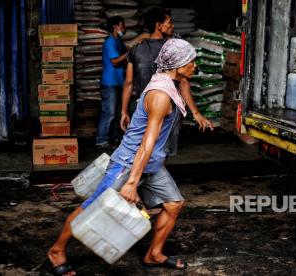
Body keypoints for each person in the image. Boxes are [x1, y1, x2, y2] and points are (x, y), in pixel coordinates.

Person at [45, 39, 199, 275]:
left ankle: (153, 254)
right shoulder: (160, 94)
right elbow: (146, 143)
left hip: (151, 163)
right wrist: (131, 183)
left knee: (174, 204)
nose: (194, 65)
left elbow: (155, 145)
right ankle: (56, 250)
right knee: (92, 208)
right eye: (191, 61)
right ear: (177, 64)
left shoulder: (170, 84)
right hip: (128, 163)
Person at [120, 7, 213, 141]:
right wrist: (196, 113)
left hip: (144, 109)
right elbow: (183, 82)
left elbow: (129, 83)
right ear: (158, 26)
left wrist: (124, 112)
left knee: (143, 148)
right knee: (161, 153)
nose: (172, 25)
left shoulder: (136, 49)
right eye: (169, 22)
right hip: (167, 109)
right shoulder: (173, 49)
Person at [95, 16, 128, 149]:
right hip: (110, 83)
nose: (124, 28)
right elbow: (114, 61)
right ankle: (101, 140)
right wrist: (128, 53)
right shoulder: (110, 42)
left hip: (118, 82)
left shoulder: (118, 41)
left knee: (116, 113)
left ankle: (114, 138)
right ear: (116, 27)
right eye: (122, 25)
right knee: (109, 113)